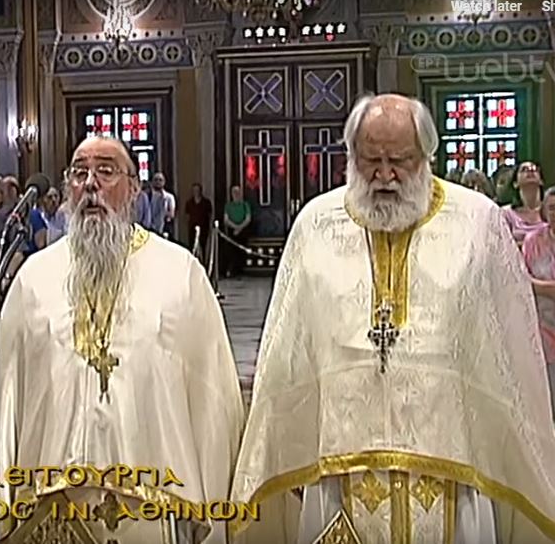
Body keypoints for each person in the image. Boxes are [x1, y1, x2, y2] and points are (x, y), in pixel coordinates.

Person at [231, 94, 555, 543]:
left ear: (426, 155)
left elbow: (509, 350)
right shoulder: (316, 224)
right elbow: (288, 348)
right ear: (351, 156)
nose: (385, 176)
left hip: (449, 456)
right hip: (343, 456)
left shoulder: (476, 222)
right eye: (371, 160)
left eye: (399, 160)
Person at [0, 136, 244, 543]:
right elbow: (7, 399)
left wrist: (215, 507)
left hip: (154, 504)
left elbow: (212, 398)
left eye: (106, 171)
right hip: (52, 510)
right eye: (80, 173)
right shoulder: (33, 279)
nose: (91, 184)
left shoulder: (180, 273)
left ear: (133, 189)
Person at [522, 185, 555, 418]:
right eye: (552, 208)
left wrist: (540, 287)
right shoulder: (533, 241)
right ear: (544, 211)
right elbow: (521, 279)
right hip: (541, 328)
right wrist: (547, 289)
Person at [503, 161, 546, 245]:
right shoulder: (506, 213)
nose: (530, 171)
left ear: (541, 181)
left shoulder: (550, 209)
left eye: (534, 169)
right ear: (515, 183)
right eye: (524, 169)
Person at [222, 185, 251, 277]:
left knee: (241, 251)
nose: (236, 194)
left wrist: (239, 228)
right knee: (231, 251)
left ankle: (241, 270)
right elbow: (226, 219)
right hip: (232, 231)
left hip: (243, 230)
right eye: (234, 192)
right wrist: (235, 227)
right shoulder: (228, 206)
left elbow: (248, 218)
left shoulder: (245, 205)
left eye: (238, 192)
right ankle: (232, 270)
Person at [185, 182, 213, 259]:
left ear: (200, 191)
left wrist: (210, 225)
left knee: (203, 245)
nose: (196, 192)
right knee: (192, 245)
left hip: (204, 227)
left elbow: (210, 215)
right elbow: (187, 216)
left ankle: (203, 261)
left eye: (197, 190)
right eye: (194, 190)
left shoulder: (206, 202)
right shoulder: (189, 203)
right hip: (192, 227)